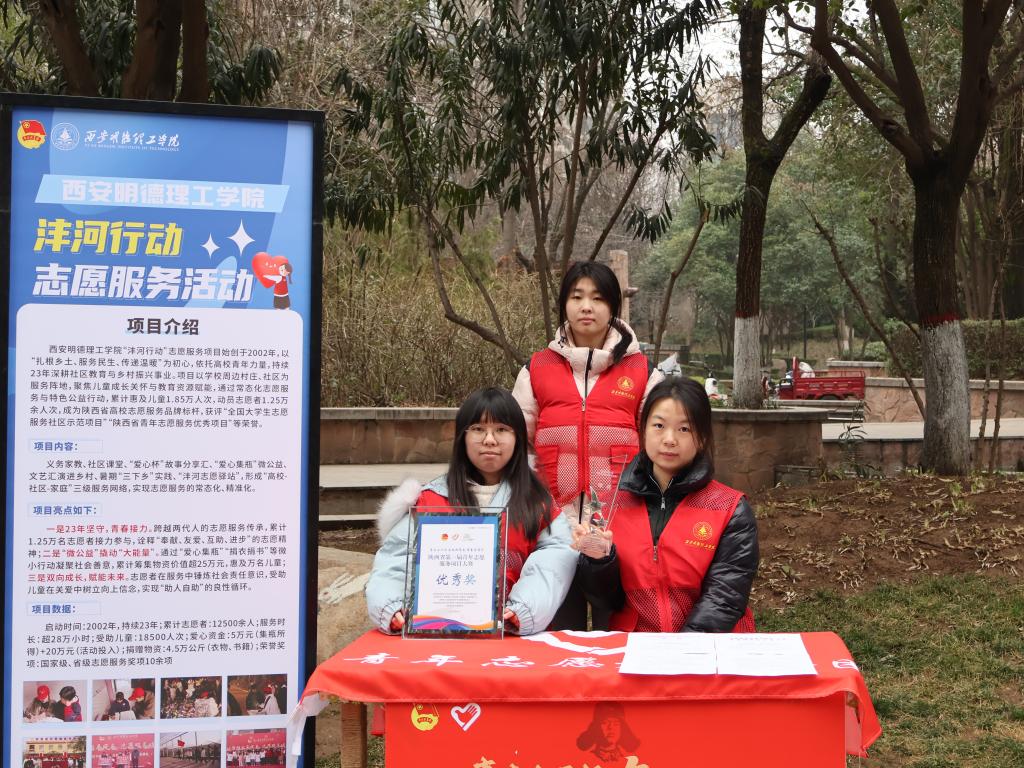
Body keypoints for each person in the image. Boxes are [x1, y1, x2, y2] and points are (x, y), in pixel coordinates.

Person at [512, 260, 663, 629]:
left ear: (613, 307)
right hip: (552, 529)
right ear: (564, 304)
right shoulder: (536, 370)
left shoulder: (643, 372)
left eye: (598, 298)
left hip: (621, 527)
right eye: (576, 296)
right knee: (558, 638)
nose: (586, 307)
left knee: (619, 637)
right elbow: (517, 444)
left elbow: (661, 448)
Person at [366, 387, 577, 635]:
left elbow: (554, 562)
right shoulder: (429, 500)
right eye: (478, 429)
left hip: (511, 637)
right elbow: (395, 561)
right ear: (462, 438)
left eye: (501, 429)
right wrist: (392, 606)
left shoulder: (538, 504)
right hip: (437, 637)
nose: (490, 439)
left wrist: (522, 611)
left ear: (518, 438)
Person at [574, 377, 758, 632]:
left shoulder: (730, 509)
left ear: (703, 437)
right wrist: (598, 562)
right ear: (643, 431)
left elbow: (724, 598)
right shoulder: (609, 505)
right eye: (659, 425)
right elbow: (605, 601)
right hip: (637, 646)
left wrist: (680, 650)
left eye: (684, 429)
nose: (669, 439)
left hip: (709, 648)